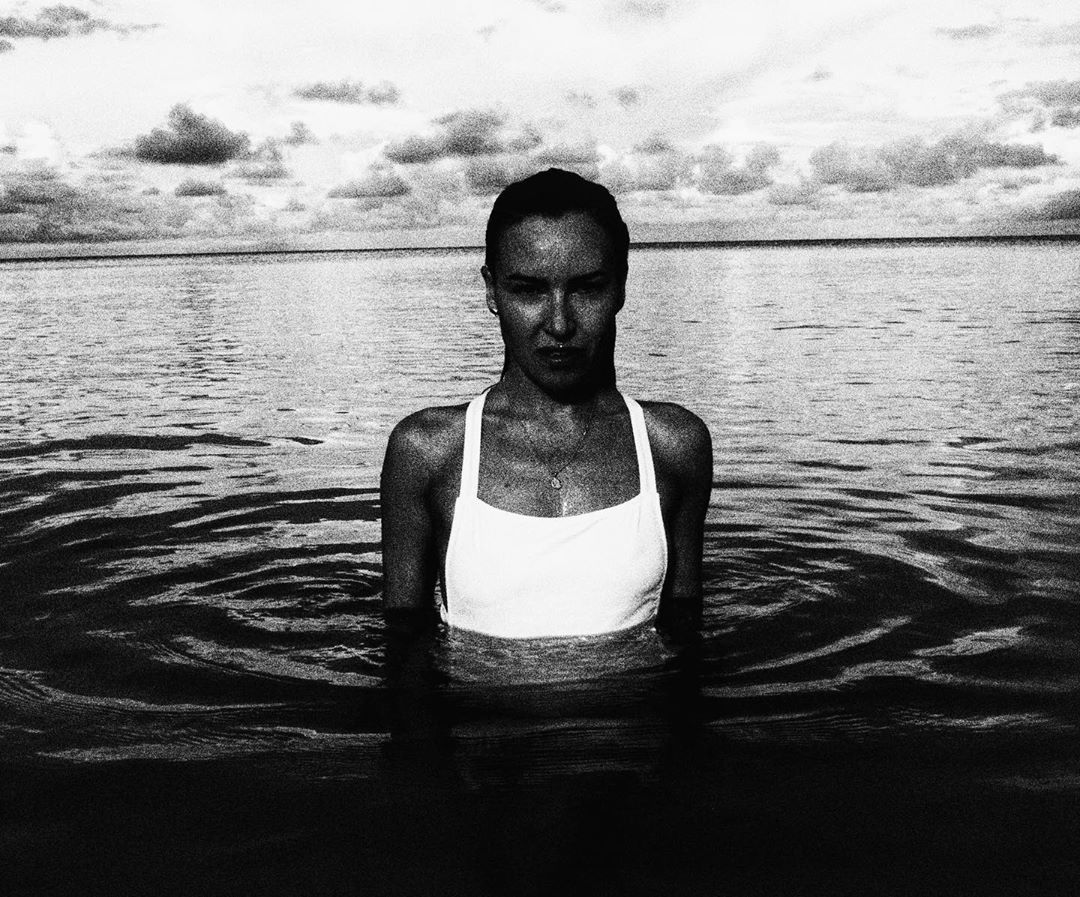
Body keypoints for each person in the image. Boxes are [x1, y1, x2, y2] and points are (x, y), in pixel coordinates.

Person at [380, 168, 712, 651]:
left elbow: (685, 638)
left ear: (620, 286)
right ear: (492, 291)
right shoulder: (429, 450)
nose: (559, 323)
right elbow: (403, 648)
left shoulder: (673, 445)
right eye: (529, 290)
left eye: (587, 288)